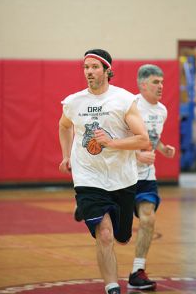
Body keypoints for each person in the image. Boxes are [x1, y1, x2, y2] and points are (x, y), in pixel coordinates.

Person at [58, 49, 150, 294]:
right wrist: (67, 155)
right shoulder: (74, 102)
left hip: (122, 178)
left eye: (94, 67)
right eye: (86, 67)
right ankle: (112, 287)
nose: (89, 71)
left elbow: (143, 140)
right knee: (105, 234)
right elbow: (64, 126)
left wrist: (113, 143)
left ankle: (97, 213)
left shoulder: (124, 100)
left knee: (121, 236)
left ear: (107, 70)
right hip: (88, 176)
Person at [127, 64, 176, 291]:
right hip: (123, 177)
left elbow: (154, 137)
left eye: (162, 81)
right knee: (112, 229)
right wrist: (136, 154)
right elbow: (115, 141)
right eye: (156, 82)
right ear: (143, 84)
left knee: (148, 219)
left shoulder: (162, 111)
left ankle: (137, 271)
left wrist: (163, 149)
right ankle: (90, 205)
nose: (161, 86)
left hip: (146, 178)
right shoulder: (130, 106)